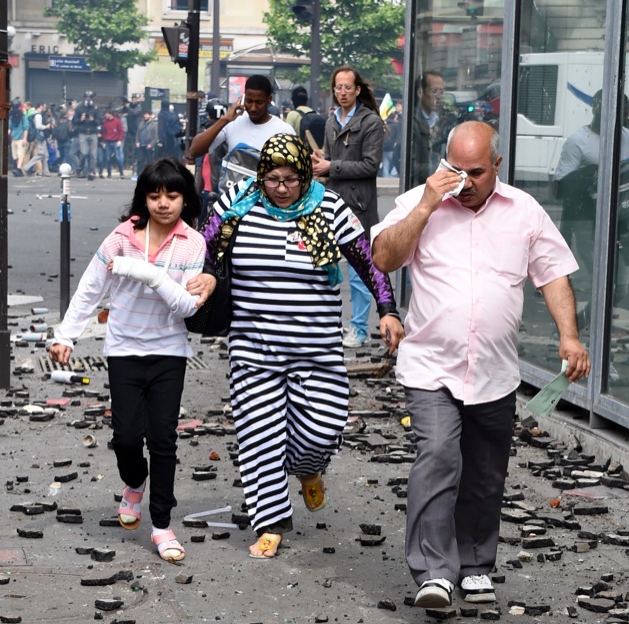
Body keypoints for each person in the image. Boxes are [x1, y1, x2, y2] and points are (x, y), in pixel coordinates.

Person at [372, 121, 591, 607]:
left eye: (476, 171)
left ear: (497, 166)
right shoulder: (419, 201)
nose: (465, 182)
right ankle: (433, 571)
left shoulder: (524, 211)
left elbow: (553, 275)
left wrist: (570, 337)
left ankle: (473, 564)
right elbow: (383, 258)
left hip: (494, 370)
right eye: (456, 169)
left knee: (485, 471)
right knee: (438, 456)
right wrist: (428, 205)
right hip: (431, 366)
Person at [185, 133, 404, 559]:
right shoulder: (238, 200)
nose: (281, 188)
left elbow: (367, 261)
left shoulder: (330, 208)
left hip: (317, 350)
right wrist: (210, 273)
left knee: (321, 432)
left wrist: (388, 309)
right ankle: (270, 520)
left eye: (290, 179)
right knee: (260, 437)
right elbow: (204, 248)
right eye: (271, 179)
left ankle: (308, 470)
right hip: (253, 347)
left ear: (305, 175)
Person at [49, 158, 207, 563]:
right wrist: (66, 335)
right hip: (122, 349)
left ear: (185, 198)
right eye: (155, 196)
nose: (163, 203)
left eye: (172, 195)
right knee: (125, 438)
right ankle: (134, 482)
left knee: (163, 440)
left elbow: (186, 307)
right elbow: (90, 286)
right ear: (144, 199)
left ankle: (161, 526)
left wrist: (147, 274)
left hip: (169, 351)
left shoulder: (193, 242)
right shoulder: (122, 237)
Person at [554, 90, 629, 303]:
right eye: (613, 112)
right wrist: (595, 173)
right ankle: (582, 329)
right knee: (599, 282)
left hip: (621, 220)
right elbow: (560, 187)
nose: (618, 119)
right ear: (596, 109)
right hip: (588, 219)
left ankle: (589, 326)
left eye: (623, 115)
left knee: (619, 289)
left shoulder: (627, 136)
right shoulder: (578, 141)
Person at [311, 65, 387, 349]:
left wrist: (332, 166)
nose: (342, 92)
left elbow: (370, 165)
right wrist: (320, 167)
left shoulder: (370, 123)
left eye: (347, 87)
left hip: (359, 205)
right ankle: (329, 325)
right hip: (331, 202)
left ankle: (359, 328)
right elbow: (330, 162)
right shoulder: (332, 122)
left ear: (357, 90)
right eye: (337, 87)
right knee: (325, 266)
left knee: (358, 272)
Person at [185, 75, 293, 174]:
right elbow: (194, 150)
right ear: (243, 98)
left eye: (259, 102)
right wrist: (225, 119)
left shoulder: (284, 130)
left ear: (269, 99)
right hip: (232, 193)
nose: (253, 108)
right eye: (249, 101)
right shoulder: (232, 123)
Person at [409, 70, 453, 184]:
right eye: (434, 91)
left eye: (441, 92)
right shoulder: (411, 122)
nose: (439, 97)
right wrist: (438, 169)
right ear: (420, 93)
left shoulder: (444, 120)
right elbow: (409, 165)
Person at [74, 91, 101, 180]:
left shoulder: (95, 108)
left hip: (93, 133)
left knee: (93, 155)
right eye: (86, 97)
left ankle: (92, 171)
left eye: (90, 97)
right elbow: (74, 121)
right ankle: (80, 168)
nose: (88, 99)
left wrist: (93, 120)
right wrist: (81, 119)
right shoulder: (79, 107)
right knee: (84, 153)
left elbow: (99, 121)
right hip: (83, 132)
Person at [100, 108, 125, 178]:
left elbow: (121, 131)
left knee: (118, 157)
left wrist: (120, 140)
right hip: (108, 141)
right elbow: (104, 132)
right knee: (108, 158)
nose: (105, 115)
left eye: (107, 114)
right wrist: (104, 142)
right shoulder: (105, 122)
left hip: (115, 141)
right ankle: (109, 173)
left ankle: (121, 172)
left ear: (110, 114)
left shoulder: (117, 121)